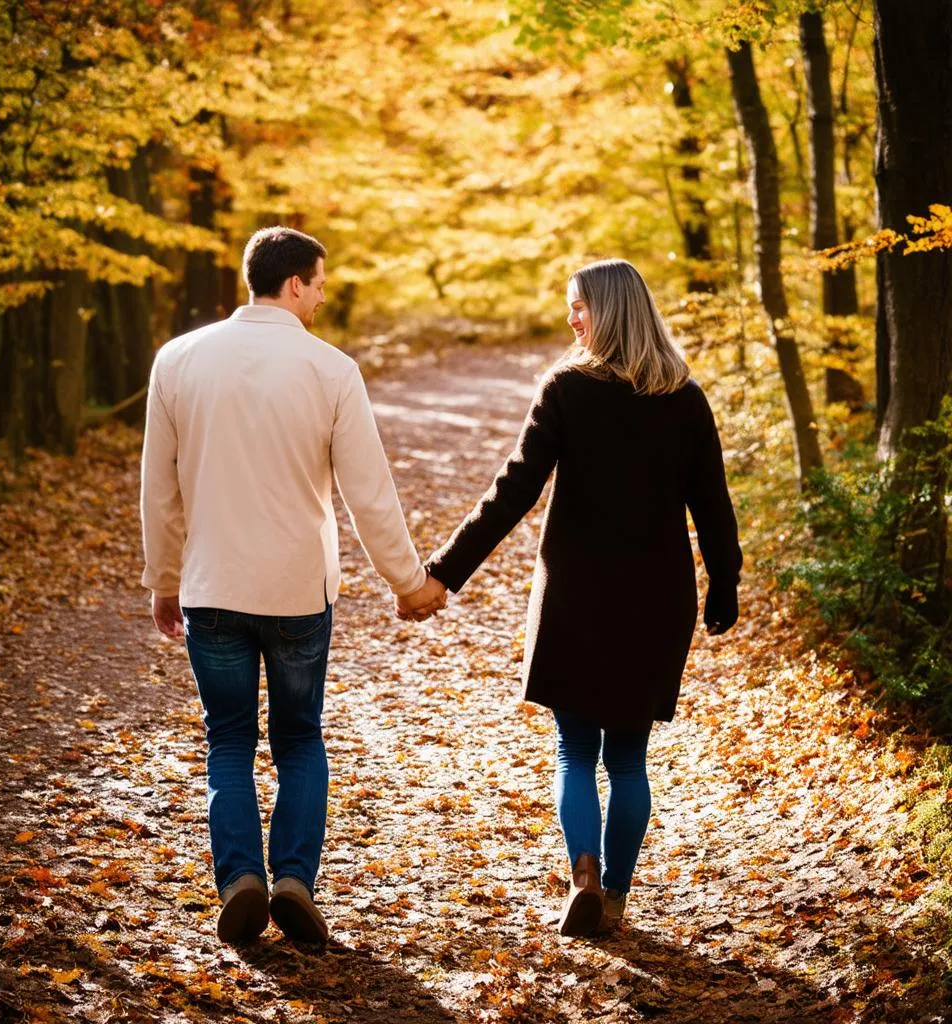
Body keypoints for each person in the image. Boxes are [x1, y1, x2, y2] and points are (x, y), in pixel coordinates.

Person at [140, 226, 446, 946]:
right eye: (320, 283)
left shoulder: (177, 360)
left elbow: (160, 490)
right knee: (301, 740)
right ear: (295, 284)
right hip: (298, 594)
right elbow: (368, 493)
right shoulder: (330, 370)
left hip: (211, 588)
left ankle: (241, 877)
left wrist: (163, 578)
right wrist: (409, 582)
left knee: (228, 741)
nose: (324, 296)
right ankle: (294, 882)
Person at [425, 258, 742, 937]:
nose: (572, 319)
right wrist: (725, 581)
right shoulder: (684, 397)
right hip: (656, 599)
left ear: (609, 310)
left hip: (576, 594)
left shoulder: (566, 389)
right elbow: (713, 505)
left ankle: (585, 878)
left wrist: (445, 573)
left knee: (575, 751)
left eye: (580, 307)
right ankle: (617, 899)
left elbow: (513, 490)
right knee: (627, 759)